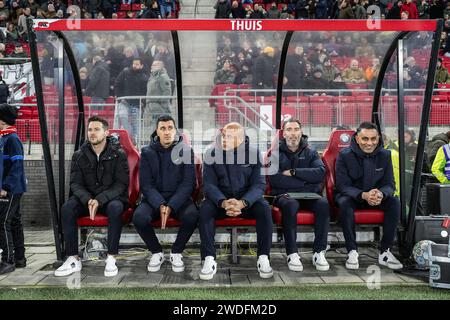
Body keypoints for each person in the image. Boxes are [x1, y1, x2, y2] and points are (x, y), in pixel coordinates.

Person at [54, 116, 129, 277]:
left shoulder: (118, 154)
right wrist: (88, 199)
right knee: (67, 208)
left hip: (110, 198)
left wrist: (99, 199)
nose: (92, 133)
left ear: (106, 132)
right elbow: (75, 184)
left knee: (116, 208)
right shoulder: (79, 155)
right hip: (86, 199)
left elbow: (121, 184)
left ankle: (111, 257)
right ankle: (73, 258)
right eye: (90, 130)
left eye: (96, 129)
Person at [199, 122, 273, 280]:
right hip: (220, 201)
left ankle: (264, 257)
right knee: (205, 209)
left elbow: (259, 185)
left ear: (240, 139)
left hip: (246, 202)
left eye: (230, 137)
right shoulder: (211, 154)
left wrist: (243, 203)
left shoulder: (254, 154)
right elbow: (209, 185)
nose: (224, 139)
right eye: (224, 135)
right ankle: (209, 258)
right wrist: (223, 202)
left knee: (264, 208)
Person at [132, 115, 199, 273]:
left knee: (192, 215)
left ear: (175, 131)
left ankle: (176, 252)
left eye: (170, 128)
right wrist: (160, 204)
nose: (167, 132)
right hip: (154, 199)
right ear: (157, 131)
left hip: (180, 199)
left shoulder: (186, 151)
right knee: (139, 217)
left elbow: (188, 183)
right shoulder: (147, 152)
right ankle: (156, 251)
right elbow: (146, 184)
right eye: (163, 128)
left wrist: (171, 205)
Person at [335, 122, 403, 270]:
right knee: (344, 203)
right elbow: (342, 186)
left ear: (378, 138)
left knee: (394, 202)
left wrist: (381, 193)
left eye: (373, 139)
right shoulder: (344, 155)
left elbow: (390, 184)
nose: (369, 143)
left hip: (375, 197)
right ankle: (352, 251)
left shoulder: (385, 155)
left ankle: (385, 251)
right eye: (365, 139)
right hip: (353, 197)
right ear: (357, 139)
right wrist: (363, 195)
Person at [268, 119, 331, 272]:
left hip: (309, 195)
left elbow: (320, 173)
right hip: (284, 196)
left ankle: (319, 252)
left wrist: (295, 173)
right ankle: (292, 253)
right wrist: (306, 182)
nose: (293, 133)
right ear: (283, 133)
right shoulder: (275, 153)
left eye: (296, 129)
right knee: (291, 204)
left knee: (323, 204)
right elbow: (275, 179)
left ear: (301, 132)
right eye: (289, 129)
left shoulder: (311, 152)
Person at [0, 104, 26, 275]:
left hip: (10, 189)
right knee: (14, 221)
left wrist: (5, 187)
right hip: (10, 188)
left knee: (3, 222)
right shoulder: (4, 138)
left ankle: (7, 260)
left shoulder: (12, 139)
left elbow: (17, 166)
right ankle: (19, 258)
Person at [114, 58, 149, 143]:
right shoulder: (125, 72)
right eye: (134, 64)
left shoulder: (144, 77)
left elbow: (145, 92)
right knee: (123, 116)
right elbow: (117, 84)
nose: (135, 65)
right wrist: (120, 97)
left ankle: (135, 141)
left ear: (141, 65)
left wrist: (143, 103)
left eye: (137, 64)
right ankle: (129, 136)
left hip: (136, 104)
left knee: (136, 123)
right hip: (124, 102)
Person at [144, 60, 172, 141]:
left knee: (158, 129)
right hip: (153, 108)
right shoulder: (152, 77)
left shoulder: (162, 77)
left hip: (160, 109)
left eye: (154, 65)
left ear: (160, 67)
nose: (151, 66)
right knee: (155, 129)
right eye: (152, 65)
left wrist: (161, 104)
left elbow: (167, 92)